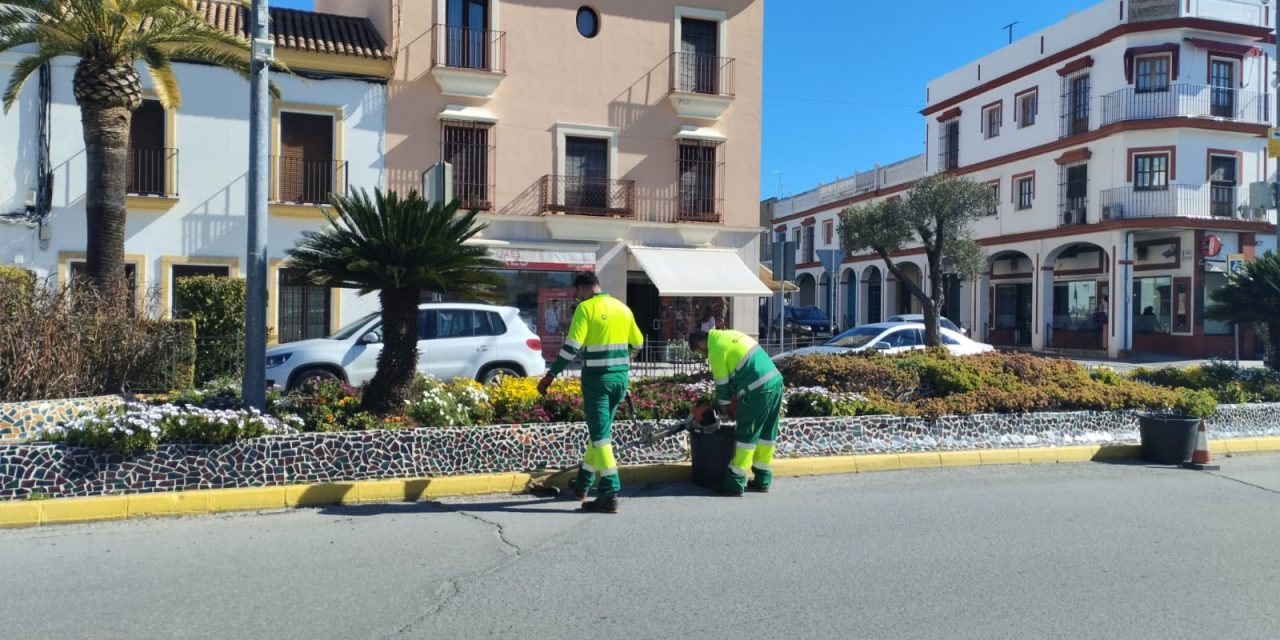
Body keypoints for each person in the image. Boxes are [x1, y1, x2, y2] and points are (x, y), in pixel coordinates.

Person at [538, 271, 644, 514]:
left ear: (584, 288)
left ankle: (609, 492)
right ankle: (583, 484)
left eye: (577, 291)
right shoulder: (622, 308)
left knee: (600, 437)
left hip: (596, 381)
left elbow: (571, 348)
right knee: (600, 433)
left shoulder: (585, 310)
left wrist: (550, 376)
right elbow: (638, 343)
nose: (576, 296)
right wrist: (624, 361)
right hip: (620, 380)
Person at [687, 329, 784, 496]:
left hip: (757, 389)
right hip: (775, 382)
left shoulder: (715, 349)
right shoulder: (729, 335)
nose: (703, 356)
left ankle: (735, 482)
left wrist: (723, 410)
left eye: (700, 352)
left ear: (700, 344)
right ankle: (763, 479)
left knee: (746, 435)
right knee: (766, 434)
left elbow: (722, 384)